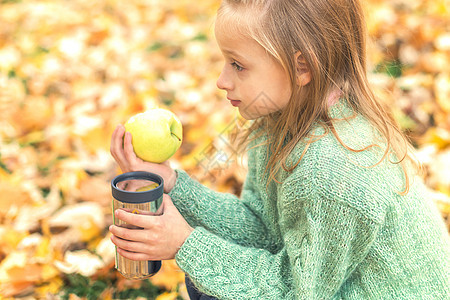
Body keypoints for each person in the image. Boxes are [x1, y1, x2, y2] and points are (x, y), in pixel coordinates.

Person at [109, 0, 450, 299]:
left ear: (302, 66)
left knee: (209, 275)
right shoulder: (277, 121)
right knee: (207, 277)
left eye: (238, 65)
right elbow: (263, 230)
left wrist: (186, 244)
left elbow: (297, 292)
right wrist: (172, 182)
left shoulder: (331, 171)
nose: (222, 80)